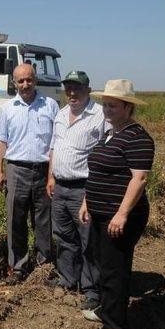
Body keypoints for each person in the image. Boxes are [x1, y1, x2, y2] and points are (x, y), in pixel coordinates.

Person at [79, 79, 154, 329]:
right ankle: (106, 310)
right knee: (102, 263)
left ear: (127, 108)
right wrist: (87, 201)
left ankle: (115, 327)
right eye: (105, 105)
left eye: (113, 106)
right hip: (101, 212)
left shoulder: (137, 137)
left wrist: (121, 214)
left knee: (115, 268)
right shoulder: (111, 133)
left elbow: (139, 179)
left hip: (121, 216)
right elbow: (98, 171)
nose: (106, 110)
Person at [0, 63, 59, 284]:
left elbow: (55, 144)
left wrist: (52, 175)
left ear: (35, 80)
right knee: (15, 221)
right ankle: (18, 268)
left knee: (43, 222)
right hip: (16, 170)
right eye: (20, 81)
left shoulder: (50, 106)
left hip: (43, 171)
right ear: (14, 83)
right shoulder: (7, 108)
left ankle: (43, 268)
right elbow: (1, 141)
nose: (25, 84)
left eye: (29, 79)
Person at [46, 71, 108, 310]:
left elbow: (107, 149)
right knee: (63, 237)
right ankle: (68, 280)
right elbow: (54, 148)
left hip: (84, 188)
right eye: (68, 88)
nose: (72, 93)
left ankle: (92, 290)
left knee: (88, 241)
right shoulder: (61, 114)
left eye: (77, 88)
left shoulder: (100, 115)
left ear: (88, 90)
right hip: (60, 187)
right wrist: (51, 176)